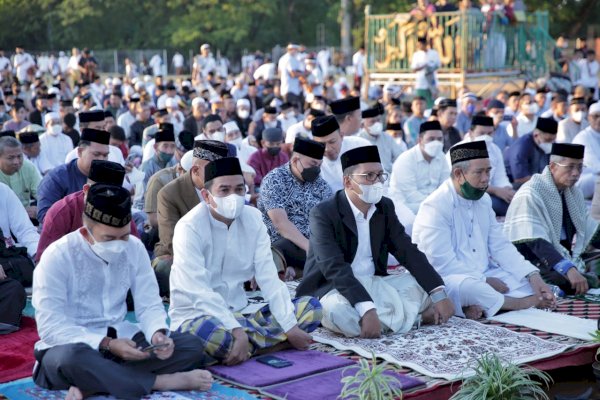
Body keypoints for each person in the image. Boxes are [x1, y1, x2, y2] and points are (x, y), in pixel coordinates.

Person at [32, 183, 212, 400]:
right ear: (85, 233)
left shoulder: (134, 248)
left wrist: (157, 334)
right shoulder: (57, 256)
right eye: (109, 238)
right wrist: (107, 344)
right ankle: (158, 382)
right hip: (73, 347)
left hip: (124, 341)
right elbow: (50, 328)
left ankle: (94, 385)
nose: (119, 245)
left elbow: (149, 303)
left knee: (191, 346)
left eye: (124, 236)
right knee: (70, 358)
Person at [169, 157, 322, 364]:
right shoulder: (189, 227)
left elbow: (269, 277)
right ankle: (272, 345)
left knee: (311, 308)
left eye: (239, 189)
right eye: (224, 190)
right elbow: (199, 292)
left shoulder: (253, 218)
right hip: (199, 314)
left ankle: (242, 350)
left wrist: (290, 326)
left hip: (243, 310)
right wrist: (236, 330)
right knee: (208, 334)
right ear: (206, 195)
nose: (234, 196)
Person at [296, 146, 454, 338]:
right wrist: (367, 308)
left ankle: (382, 320)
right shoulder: (324, 213)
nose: (377, 181)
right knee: (338, 312)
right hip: (335, 288)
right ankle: (415, 319)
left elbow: (407, 251)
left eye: (380, 175)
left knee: (428, 289)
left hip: (377, 283)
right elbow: (334, 267)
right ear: (348, 182)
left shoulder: (384, 207)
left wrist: (438, 293)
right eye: (369, 176)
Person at [412, 141, 555, 319]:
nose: (486, 178)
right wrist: (485, 281)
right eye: (479, 172)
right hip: (449, 279)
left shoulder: (484, 200)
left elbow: (500, 245)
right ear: (458, 174)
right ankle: (520, 303)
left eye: (488, 171)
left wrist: (531, 274)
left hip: (484, 273)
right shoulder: (435, 207)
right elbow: (441, 264)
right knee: (471, 288)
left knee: (527, 283)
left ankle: (481, 306)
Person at [504, 143, 596, 295]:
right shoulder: (531, 192)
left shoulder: (573, 193)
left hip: (562, 254)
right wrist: (567, 268)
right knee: (567, 281)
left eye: (580, 167)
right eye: (570, 167)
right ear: (553, 166)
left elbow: (589, 229)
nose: (576, 173)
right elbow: (535, 242)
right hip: (533, 259)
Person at [153, 140, 229, 297]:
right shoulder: (170, 194)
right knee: (165, 265)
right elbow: (172, 241)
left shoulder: (226, 186)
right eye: (216, 171)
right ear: (195, 170)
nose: (221, 176)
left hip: (224, 253)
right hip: (186, 255)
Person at [35, 160, 139, 262]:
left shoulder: (121, 211)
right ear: (86, 190)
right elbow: (44, 261)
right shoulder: (61, 212)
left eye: (113, 197)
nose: (108, 202)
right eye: (102, 195)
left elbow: (135, 260)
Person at [259, 137, 332, 276]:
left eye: (319, 165)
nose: (316, 169)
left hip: (315, 247)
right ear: (295, 160)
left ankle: (298, 271)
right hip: (285, 246)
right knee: (279, 248)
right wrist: (310, 248)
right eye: (312, 164)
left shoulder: (321, 185)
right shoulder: (274, 181)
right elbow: (281, 223)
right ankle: (293, 270)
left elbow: (330, 219)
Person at [37, 128, 110, 225]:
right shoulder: (56, 178)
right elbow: (45, 216)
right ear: (80, 152)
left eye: (105, 155)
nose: (101, 159)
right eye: (96, 154)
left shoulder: (109, 175)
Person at [450, 115, 514, 216]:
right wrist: (495, 190)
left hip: (491, 193)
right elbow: (462, 184)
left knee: (517, 198)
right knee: (499, 206)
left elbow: (501, 177)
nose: (486, 137)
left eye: (489, 133)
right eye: (481, 133)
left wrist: (507, 190)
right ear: (471, 133)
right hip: (469, 195)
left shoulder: (495, 149)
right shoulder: (459, 151)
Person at [390, 121, 449, 214]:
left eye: (439, 139)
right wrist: (436, 204)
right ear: (420, 140)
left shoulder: (441, 156)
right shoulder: (406, 160)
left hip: (434, 204)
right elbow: (410, 195)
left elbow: (445, 185)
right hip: (408, 206)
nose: (436, 143)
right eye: (431, 139)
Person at [311, 114, 370, 192]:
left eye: (332, 142)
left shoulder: (361, 146)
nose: (327, 149)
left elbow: (380, 178)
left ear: (341, 136)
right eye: (321, 145)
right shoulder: (311, 162)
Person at [505, 117, 557, 189]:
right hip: (514, 186)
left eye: (553, 140)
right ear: (536, 135)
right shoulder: (522, 146)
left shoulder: (545, 145)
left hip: (538, 182)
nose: (550, 143)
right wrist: (548, 181)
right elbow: (519, 179)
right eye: (548, 140)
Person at [0, 137, 41, 217]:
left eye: (19, 156)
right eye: (10, 158)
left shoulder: (29, 167)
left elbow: (43, 194)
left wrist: (38, 209)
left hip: (26, 217)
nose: (16, 162)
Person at [358, 105, 405, 173]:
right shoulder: (359, 140)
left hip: (390, 176)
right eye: (372, 121)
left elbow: (399, 157)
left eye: (378, 120)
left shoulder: (386, 137)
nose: (376, 123)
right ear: (363, 124)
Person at [572, 102, 600, 198]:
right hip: (582, 181)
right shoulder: (583, 138)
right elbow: (596, 167)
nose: (599, 120)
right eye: (596, 116)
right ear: (589, 118)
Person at [411, 37, 440, 108]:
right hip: (421, 83)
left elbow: (438, 65)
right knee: (421, 102)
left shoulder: (434, 53)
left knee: (432, 103)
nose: (419, 47)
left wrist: (430, 67)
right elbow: (414, 69)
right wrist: (423, 66)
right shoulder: (416, 55)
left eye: (420, 45)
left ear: (425, 44)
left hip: (431, 82)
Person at [278, 44, 304, 109]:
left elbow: (279, 73)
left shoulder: (282, 58)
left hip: (286, 89)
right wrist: (304, 74)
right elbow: (293, 74)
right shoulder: (290, 59)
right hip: (291, 90)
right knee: (293, 110)